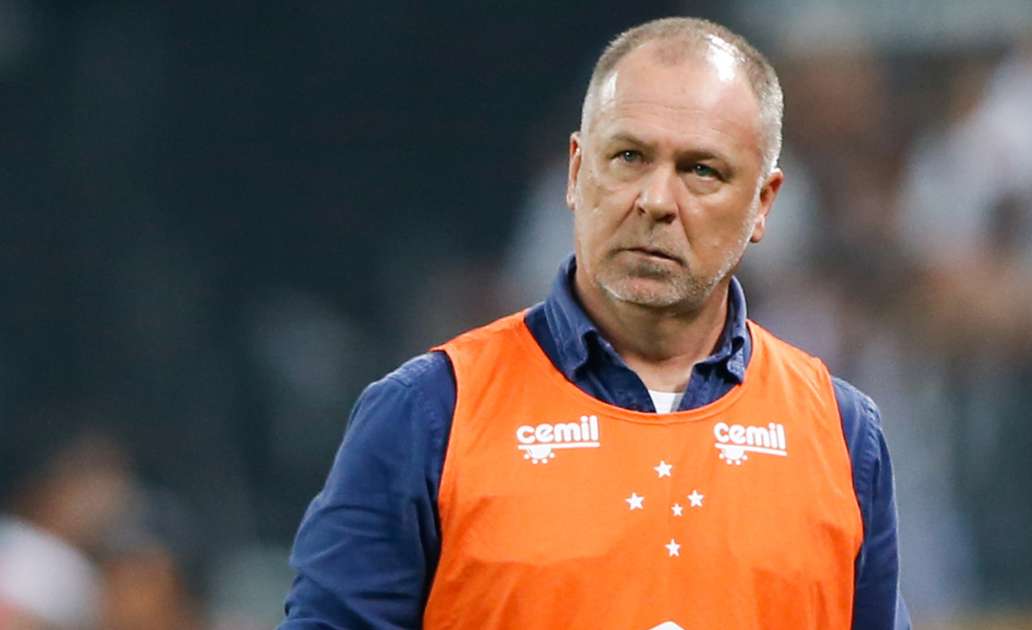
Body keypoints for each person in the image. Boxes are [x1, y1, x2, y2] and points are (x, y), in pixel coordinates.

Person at [281, 16, 908, 629]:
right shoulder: (428, 414)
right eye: (629, 156)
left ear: (763, 203)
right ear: (577, 171)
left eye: (701, 170)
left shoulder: (841, 434)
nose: (656, 201)